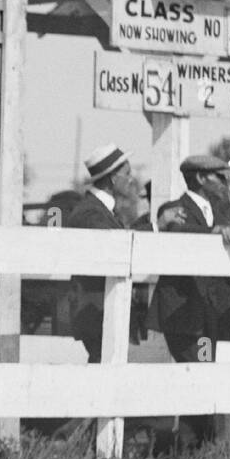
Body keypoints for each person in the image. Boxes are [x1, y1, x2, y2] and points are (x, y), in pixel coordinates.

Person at [155, 154, 230, 445]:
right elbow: (176, 231)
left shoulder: (226, 210)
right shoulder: (174, 209)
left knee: (207, 374)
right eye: (220, 176)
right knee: (197, 373)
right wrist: (212, 233)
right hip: (186, 314)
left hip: (214, 312)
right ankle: (193, 448)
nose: (226, 181)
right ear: (202, 178)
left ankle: (198, 448)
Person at [67, 144, 138, 363]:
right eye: (127, 174)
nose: (131, 179)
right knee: (102, 365)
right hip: (95, 309)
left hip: (100, 307)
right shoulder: (91, 212)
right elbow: (114, 244)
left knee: (102, 366)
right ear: (113, 178)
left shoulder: (101, 209)